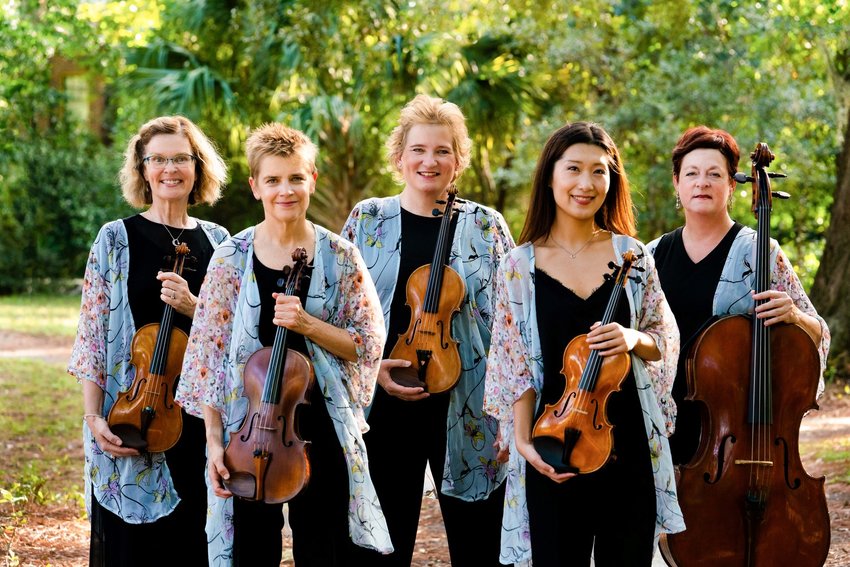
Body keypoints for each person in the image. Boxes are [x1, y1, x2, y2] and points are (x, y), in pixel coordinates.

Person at [175, 122, 391, 566]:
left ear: (312, 179)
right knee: (252, 552)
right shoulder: (231, 257)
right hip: (247, 430)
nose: (284, 190)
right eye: (272, 180)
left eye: (295, 178)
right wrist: (215, 443)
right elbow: (207, 360)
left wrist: (308, 324)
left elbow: (368, 344)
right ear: (255, 186)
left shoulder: (341, 254)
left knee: (324, 550)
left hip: (322, 430)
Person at [483, 121, 685, 566]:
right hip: (553, 442)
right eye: (573, 168)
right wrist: (524, 445)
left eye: (599, 171)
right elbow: (512, 364)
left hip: (626, 440)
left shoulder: (632, 254)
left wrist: (633, 338)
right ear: (550, 175)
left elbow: (664, 340)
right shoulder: (518, 266)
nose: (586, 183)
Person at [341, 94, 514, 566]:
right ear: (399, 156)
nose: (429, 161)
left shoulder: (487, 225)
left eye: (442, 150)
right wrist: (373, 371)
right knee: (379, 546)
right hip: (383, 401)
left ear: (458, 161)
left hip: (472, 406)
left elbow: (512, 325)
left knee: (479, 545)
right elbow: (341, 315)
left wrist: (512, 415)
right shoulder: (367, 219)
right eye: (418, 149)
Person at [68, 115, 230, 566]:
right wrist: (92, 417)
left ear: (197, 167)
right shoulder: (114, 239)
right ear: (142, 169)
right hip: (131, 413)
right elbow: (92, 337)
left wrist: (194, 308)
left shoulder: (220, 244)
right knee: (132, 550)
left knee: (194, 546)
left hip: (201, 419)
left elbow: (237, 334)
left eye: (180, 158)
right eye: (157, 159)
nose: (169, 168)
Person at [647, 125, 830, 466]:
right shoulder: (652, 256)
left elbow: (818, 332)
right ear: (677, 182)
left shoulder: (760, 251)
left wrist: (794, 316)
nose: (702, 182)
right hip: (661, 428)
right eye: (692, 173)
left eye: (714, 174)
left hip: (737, 437)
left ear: (731, 185)